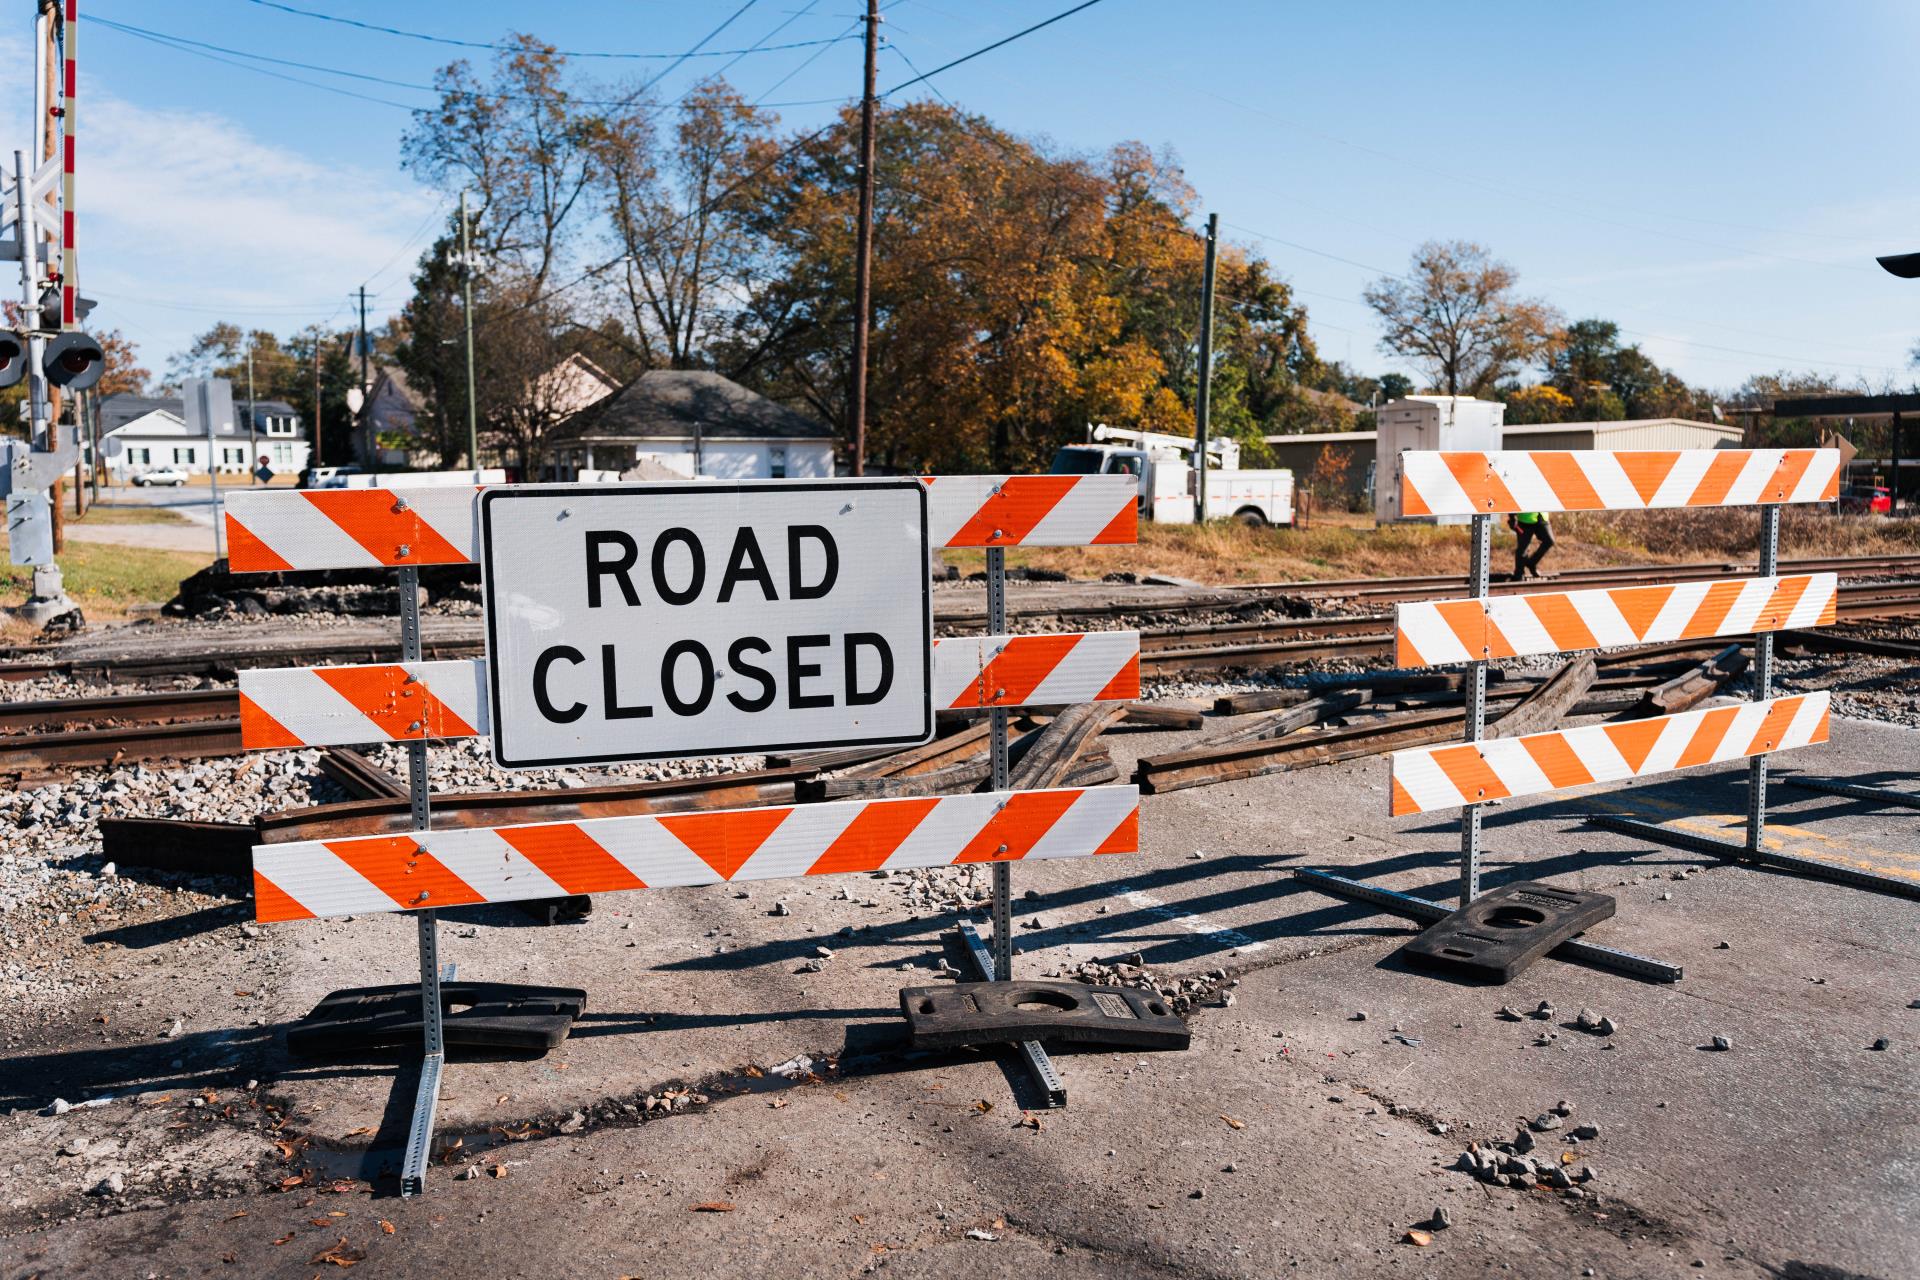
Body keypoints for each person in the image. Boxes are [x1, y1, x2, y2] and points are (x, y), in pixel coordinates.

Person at [1508, 510, 1554, 578]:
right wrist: (1512, 517)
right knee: (1523, 548)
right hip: (1525, 519)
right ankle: (1518, 574)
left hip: (1542, 516)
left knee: (1549, 541)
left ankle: (1531, 563)